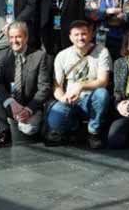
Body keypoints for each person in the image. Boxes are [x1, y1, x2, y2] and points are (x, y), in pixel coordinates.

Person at [46, 21, 111, 149]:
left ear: (90, 35)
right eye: (76, 35)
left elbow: (103, 81)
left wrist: (81, 86)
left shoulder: (102, 51)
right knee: (55, 121)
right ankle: (75, 127)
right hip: (70, 100)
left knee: (102, 93)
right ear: (70, 37)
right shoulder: (62, 56)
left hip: (91, 100)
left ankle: (94, 132)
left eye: (84, 34)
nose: (80, 38)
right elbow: (57, 86)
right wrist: (63, 98)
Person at [0, 21, 52, 146]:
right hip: (10, 104)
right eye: (11, 37)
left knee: (28, 129)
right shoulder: (0, 55)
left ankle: (34, 122)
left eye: (18, 37)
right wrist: (10, 102)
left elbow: (44, 87)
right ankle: (4, 130)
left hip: (30, 104)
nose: (14, 40)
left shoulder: (39, 56)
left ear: (26, 37)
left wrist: (29, 109)